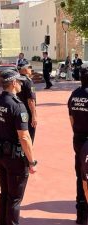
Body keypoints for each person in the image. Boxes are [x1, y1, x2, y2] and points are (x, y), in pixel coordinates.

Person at [0, 69, 37, 225]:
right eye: (20, 81)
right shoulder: (18, 106)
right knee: (15, 198)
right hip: (14, 157)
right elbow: (24, 136)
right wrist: (31, 161)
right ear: (14, 83)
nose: (22, 84)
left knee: (5, 193)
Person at [68, 65, 88, 224]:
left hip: (78, 139)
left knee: (80, 176)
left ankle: (81, 215)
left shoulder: (74, 95)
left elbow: (71, 119)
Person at [17, 64, 37, 142]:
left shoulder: (16, 80)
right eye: (30, 67)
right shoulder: (28, 82)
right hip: (26, 113)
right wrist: (34, 115)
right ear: (25, 70)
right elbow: (31, 100)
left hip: (17, 111)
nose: (31, 69)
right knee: (28, 138)